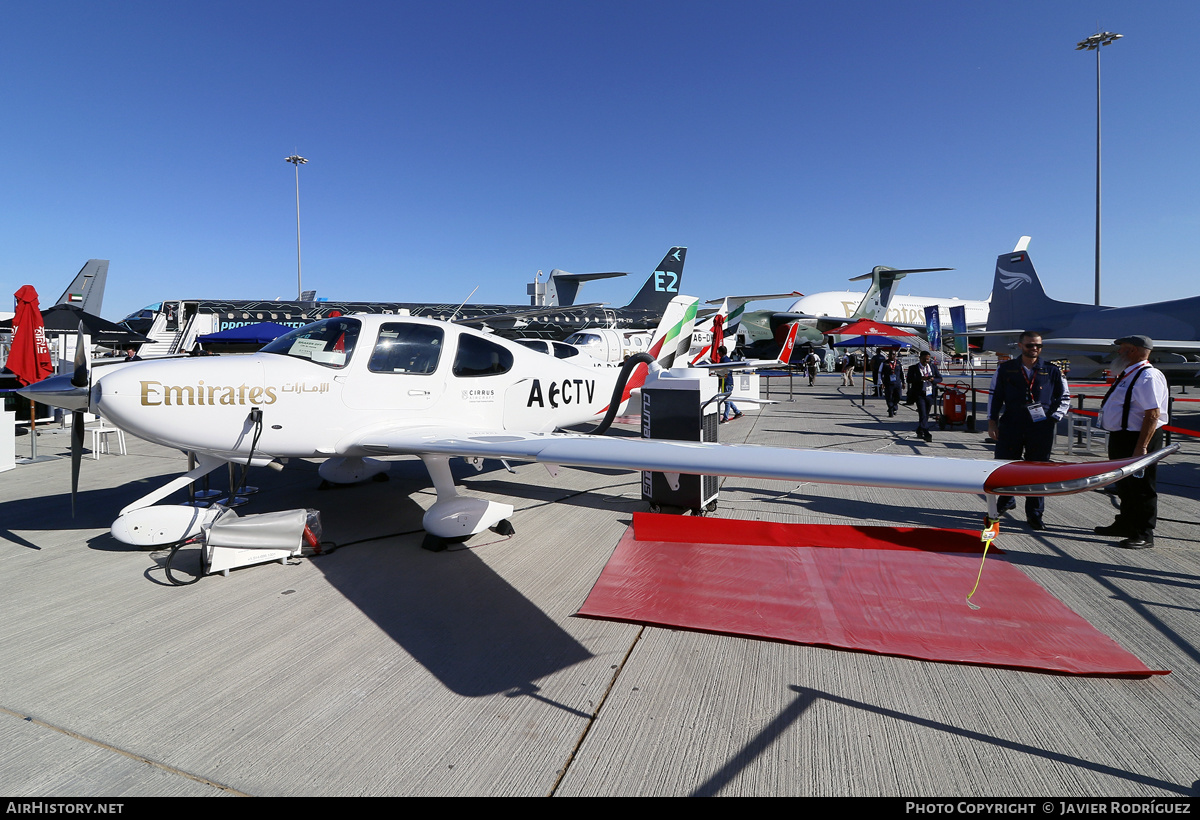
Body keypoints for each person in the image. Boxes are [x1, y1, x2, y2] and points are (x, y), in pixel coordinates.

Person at [987, 331, 1070, 531]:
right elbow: (994, 396)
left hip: (1040, 428)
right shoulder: (1006, 369)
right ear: (1020, 345)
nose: (1034, 349)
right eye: (1030, 345)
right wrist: (992, 421)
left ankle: (1034, 513)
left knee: (1037, 471)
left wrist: (1053, 419)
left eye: (1038, 346)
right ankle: (1006, 499)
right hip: (1011, 425)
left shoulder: (1052, 370)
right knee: (1006, 466)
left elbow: (1064, 397)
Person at [1095, 335, 1169, 549]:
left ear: (1133, 351)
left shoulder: (1148, 376)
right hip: (1123, 436)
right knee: (1124, 485)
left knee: (1142, 487)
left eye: (1122, 348)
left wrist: (1141, 446)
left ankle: (1143, 533)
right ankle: (1125, 523)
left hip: (1138, 438)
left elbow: (1153, 414)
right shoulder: (1130, 374)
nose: (1118, 352)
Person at [906, 350, 941, 441]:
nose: (926, 361)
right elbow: (909, 380)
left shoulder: (933, 367)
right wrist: (921, 378)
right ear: (920, 358)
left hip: (929, 393)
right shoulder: (913, 368)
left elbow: (940, 378)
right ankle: (926, 432)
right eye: (924, 359)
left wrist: (933, 380)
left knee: (926, 414)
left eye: (928, 360)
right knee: (922, 413)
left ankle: (919, 430)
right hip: (919, 394)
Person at [717, 346, 743, 423]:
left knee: (727, 401)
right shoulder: (727, 360)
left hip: (727, 383)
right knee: (727, 399)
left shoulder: (724, 361)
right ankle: (737, 412)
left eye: (718, 352)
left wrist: (720, 382)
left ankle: (726, 417)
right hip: (728, 382)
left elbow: (724, 374)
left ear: (721, 353)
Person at [880, 350, 903, 417]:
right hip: (888, 383)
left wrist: (904, 382)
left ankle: (894, 406)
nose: (891, 356)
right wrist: (881, 382)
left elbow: (902, 373)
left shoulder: (898, 363)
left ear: (895, 355)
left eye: (893, 354)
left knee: (899, 396)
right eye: (890, 355)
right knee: (889, 397)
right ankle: (890, 410)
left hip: (897, 383)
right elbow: (880, 373)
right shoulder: (884, 363)